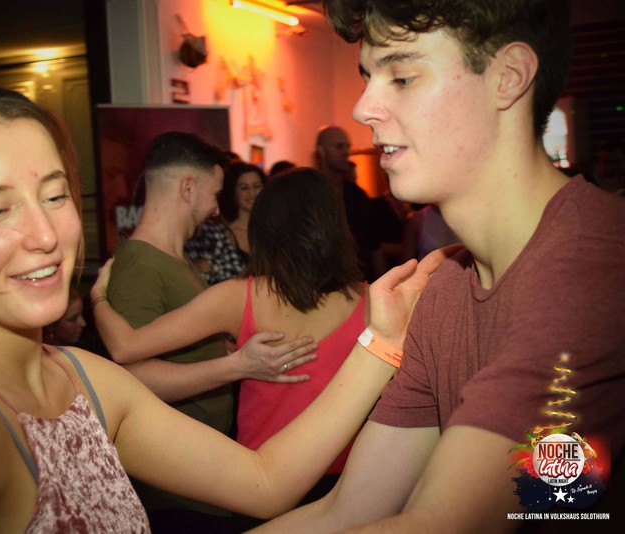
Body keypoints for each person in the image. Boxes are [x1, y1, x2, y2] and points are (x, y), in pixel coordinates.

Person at [0, 85, 453, 532]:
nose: (44, 234)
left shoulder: (83, 378)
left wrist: (383, 338)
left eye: (54, 196)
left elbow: (265, 481)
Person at [256, 1, 625, 532]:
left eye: (402, 77)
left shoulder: (593, 267)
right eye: (367, 77)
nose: (362, 108)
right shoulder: (444, 290)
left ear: (508, 77)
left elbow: (440, 524)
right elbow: (349, 511)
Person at [93, 168, 398, 530]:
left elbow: (125, 347)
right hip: (350, 484)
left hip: (258, 484)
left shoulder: (239, 298)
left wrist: (97, 298)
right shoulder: (373, 303)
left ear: (264, 230)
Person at [97, 131, 311, 532]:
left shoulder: (174, 261)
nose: (216, 209)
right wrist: (237, 366)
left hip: (199, 475)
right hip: (175, 490)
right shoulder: (140, 266)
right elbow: (131, 379)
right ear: (188, 188)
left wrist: (224, 350)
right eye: (214, 194)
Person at [315, 125, 383, 281]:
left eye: (347, 146)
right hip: (321, 284)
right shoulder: (309, 194)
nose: (346, 152)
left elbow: (374, 246)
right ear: (322, 150)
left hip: (361, 282)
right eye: (339, 146)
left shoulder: (357, 196)